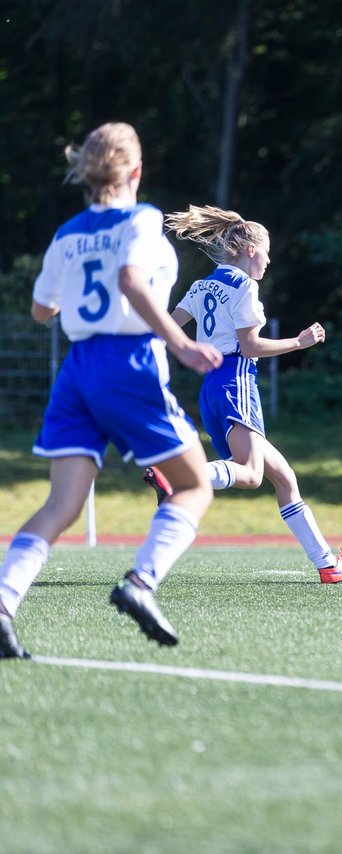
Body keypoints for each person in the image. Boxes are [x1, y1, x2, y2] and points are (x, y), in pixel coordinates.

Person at [0, 122, 223, 660]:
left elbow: (40, 309)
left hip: (78, 369)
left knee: (61, 505)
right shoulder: (142, 218)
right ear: (136, 172)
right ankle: (141, 583)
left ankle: (3, 604)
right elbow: (129, 278)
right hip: (127, 363)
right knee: (195, 486)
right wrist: (180, 344)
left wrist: (71, 295)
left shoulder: (68, 233)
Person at [159, 204, 342, 584]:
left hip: (211, 389)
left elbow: (170, 330)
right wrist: (299, 342)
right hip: (236, 381)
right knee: (253, 476)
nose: (270, 260)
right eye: (268, 251)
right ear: (250, 249)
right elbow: (251, 347)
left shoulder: (202, 285)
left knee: (285, 478)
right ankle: (180, 479)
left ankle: (328, 565)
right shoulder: (245, 287)